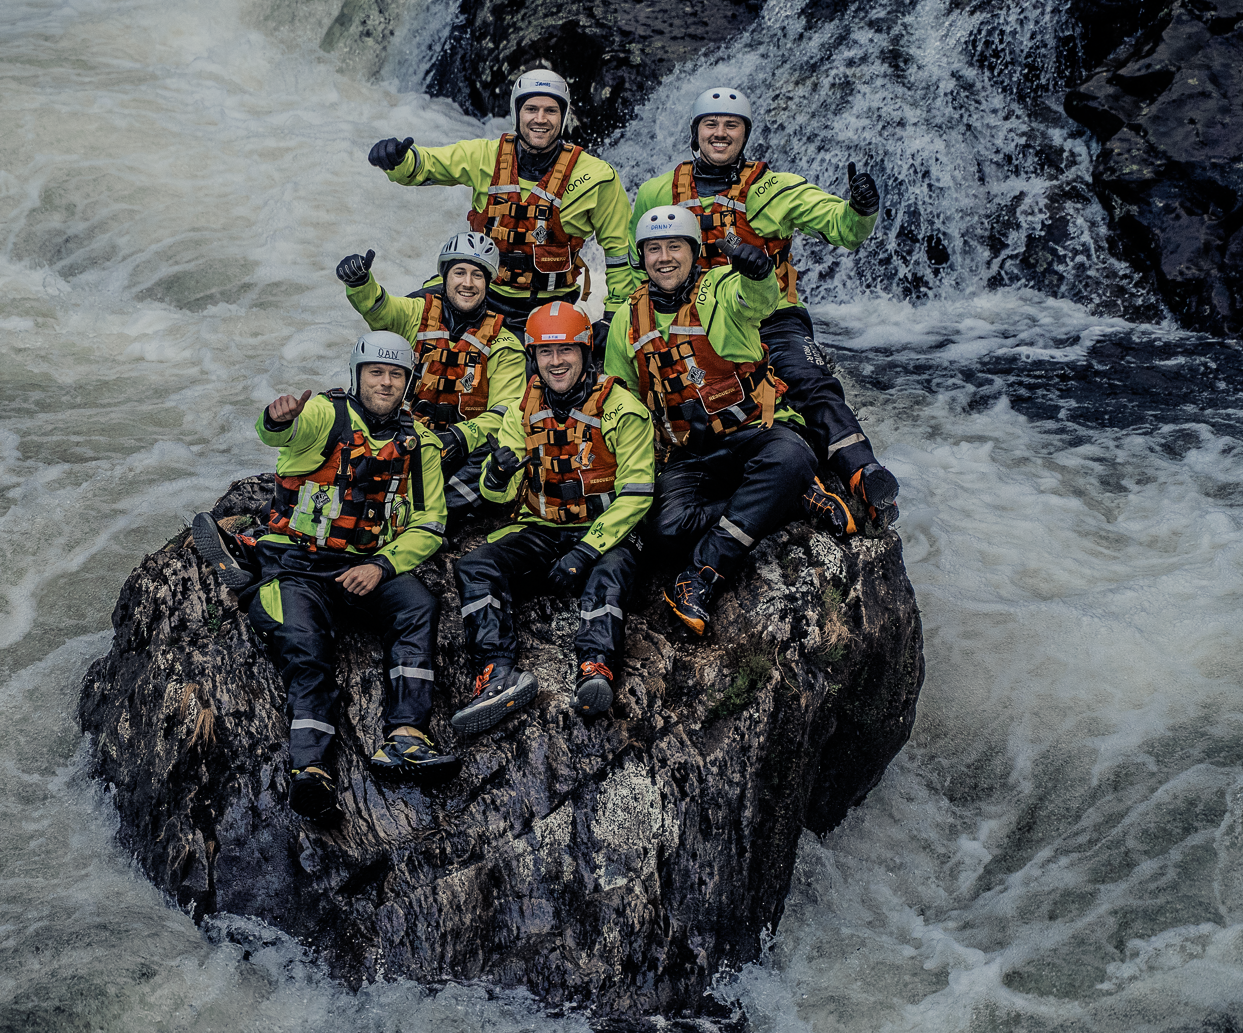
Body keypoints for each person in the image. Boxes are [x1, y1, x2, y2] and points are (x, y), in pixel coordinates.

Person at [200, 332, 456, 821]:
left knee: (418, 605)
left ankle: (406, 737)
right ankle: (312, 769)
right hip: (297, 565)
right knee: (305, 645)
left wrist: (381, 566)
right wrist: (279, 418)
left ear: (408, 382)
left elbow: (430, 524)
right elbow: (280, 433)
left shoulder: (418, 441)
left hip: (362, 565)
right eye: (375, 372)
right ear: (356, 375)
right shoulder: (323, 415)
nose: (385, 382)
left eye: (395, 374)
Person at [628, 87, 900, 527]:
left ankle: (863, 472)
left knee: (808, 380)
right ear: (695, 133)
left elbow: (844, 229)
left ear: (745, 134)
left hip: (771, 317)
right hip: (696, 325)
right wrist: (624, 317)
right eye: (710, 124)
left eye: (731, 125)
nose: (720, 133)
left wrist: (862, 210)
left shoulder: (775, 188)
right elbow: (632, 265)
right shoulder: (657, 193)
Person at [606, 206, 816, 636]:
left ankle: (700, 576)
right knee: (664, 530)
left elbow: (758, 300)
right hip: (690, 453)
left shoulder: (719, 285)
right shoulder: (627, 320)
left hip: (752, 432)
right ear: (641, 258)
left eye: (674, 247)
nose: (664, 258)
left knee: (792, 457)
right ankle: (790, 499)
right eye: (654, 249)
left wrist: (757, 273)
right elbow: (621, 403)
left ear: (693, 252)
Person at [449, 301, 654, 733]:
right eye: (545, 352)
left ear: (585, 352)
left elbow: (637, 495)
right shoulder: (522, 409)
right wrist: (498, 472)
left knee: (609, 574)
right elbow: (495, 495)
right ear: (534, 357)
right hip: (541, 528)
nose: (556, 362)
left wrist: (586, 549)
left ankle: (595, 668)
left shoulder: (623, 409)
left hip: (607, 534)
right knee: (476, 565)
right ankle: (496, 671)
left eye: (566, 351)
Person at [366, 69, 637, 334]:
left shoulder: (597, 177)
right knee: (401, 328)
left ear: (563, 116)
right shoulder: (485, 155)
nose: (540, 119)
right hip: (476, 292)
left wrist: (613, 316)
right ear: (516, 113)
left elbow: (620, 252)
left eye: (551, 111)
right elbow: (425, 165)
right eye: (531, 109)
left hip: (546, 305)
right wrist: (397, 160)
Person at [335, 232, 528, 517]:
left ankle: (432, 516)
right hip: (407, 432)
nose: (467, 283)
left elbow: (504, 413)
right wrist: (360, 283)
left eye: (477, 275)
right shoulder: (417, 312)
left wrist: (457, 437)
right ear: (445, 276)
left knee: (493, 458)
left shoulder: (506, 344)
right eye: (459, 272)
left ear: (488, 282)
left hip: (461, 448)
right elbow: (380, 309)